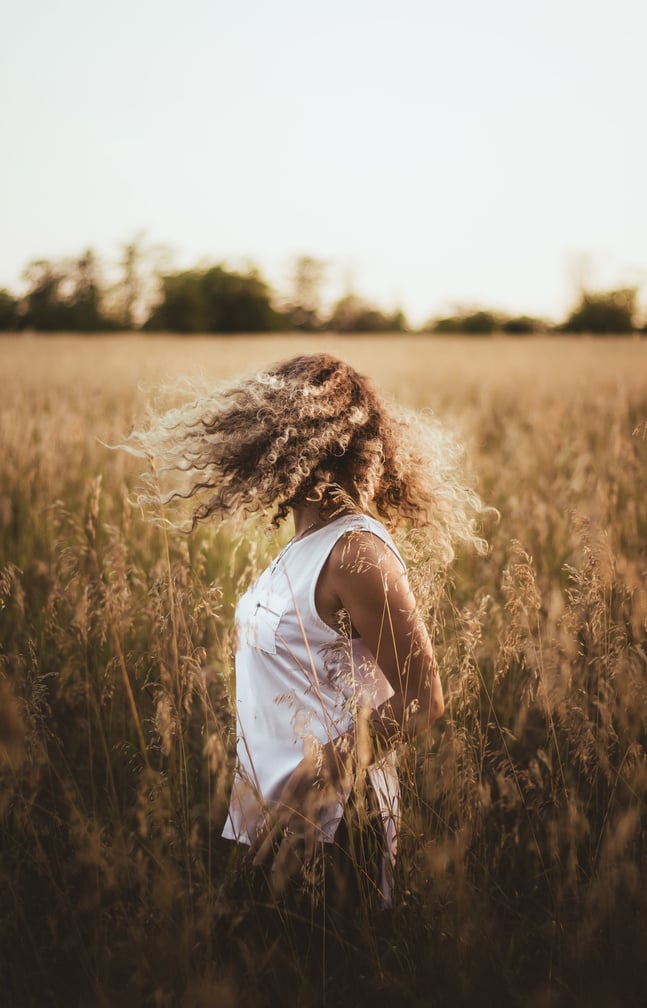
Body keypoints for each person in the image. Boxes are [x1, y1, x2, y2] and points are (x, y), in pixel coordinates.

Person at [125, 352, 488, 909]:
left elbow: (424, 699)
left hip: (335, 826)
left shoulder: (357, 551)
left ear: (301, 441)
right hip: (273, 820)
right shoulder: (304, 545)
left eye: (266, 426)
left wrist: (316, 779)